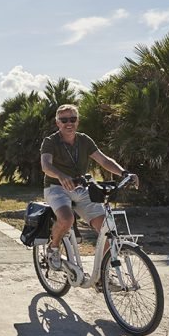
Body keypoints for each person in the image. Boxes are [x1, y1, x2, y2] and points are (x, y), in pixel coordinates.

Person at [39, 104, 138, 271]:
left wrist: (124, 173)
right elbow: (46, 165)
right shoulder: (50, 142)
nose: (68, 123)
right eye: (64, 120)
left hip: (81, 188)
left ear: (77, 122)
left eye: (72, 119)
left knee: (106, 229)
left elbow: (104, 160)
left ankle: (102, 276)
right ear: (57, 123)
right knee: (66, 219)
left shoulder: (84, 140)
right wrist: (61, 176)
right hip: (56, 187)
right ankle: (53, 248)